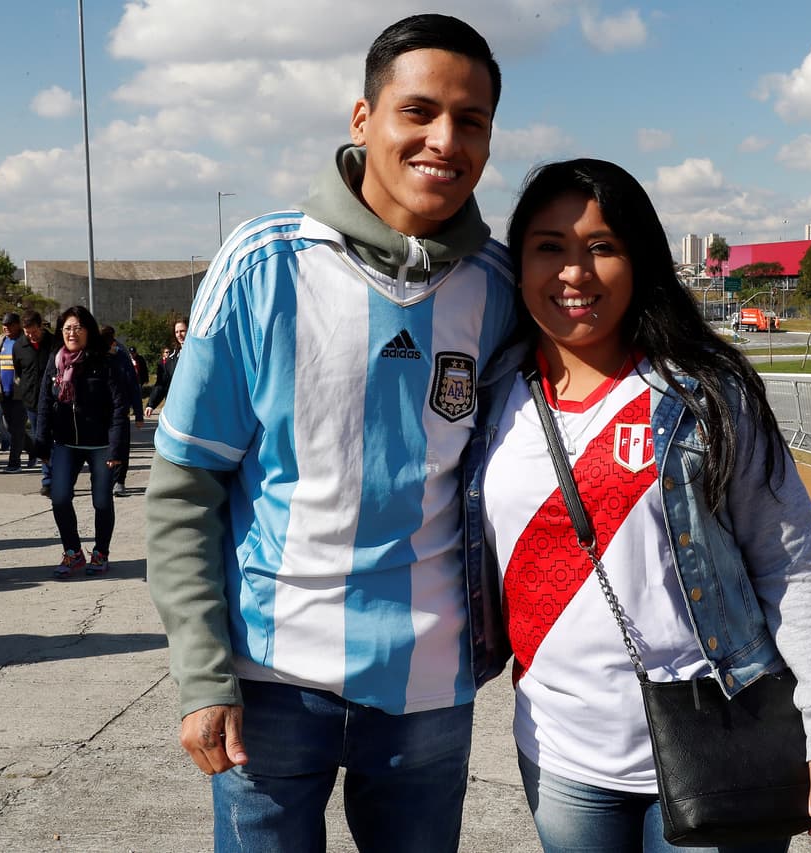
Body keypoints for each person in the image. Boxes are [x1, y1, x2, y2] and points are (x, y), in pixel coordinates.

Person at [145, 14, 514, 851]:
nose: (443, 140)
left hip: (430, 688)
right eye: (417, 112)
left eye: (471, 121)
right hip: (270, 684)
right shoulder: (264, 264)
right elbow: (183, 489)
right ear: (362, 119)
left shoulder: (497, 286)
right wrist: (202, 672)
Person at [470, 158, 811, 852]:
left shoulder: (702, 394)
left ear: (640, 258)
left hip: (722, 740)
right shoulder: (490, 392)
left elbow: (789, 559)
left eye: (602, 247)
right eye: (549, 248)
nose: (574, 273)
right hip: (562, 755)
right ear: (519, 263)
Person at [34, 306, 129, 578]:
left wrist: (116, 447)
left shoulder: (104, 363)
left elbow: (118, 407)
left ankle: (101, 552)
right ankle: (73, 552)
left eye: (77, 327)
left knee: (101, 501)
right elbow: (44, 402)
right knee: (59, 497)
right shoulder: (56, 361)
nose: (71, 333)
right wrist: (42, 443)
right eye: (66, 328)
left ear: (88, 330)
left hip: (100, 445)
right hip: (66, 443)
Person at [13, 309, 57, 496]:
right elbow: (18, 371)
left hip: (55, 401)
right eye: (27, 332)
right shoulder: (19, 347)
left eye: (34, 331)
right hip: (32, 401)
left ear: (41, 326)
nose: (31, 336)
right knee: (41, 440)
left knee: (57, 440)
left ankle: (60, 476)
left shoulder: (55, 343)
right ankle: (47, 479)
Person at [100, 324, 145, 497]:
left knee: (121, 445)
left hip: (120, 409)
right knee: (104, 446)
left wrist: (138, 413)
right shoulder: (95, 357)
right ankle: (105, 479)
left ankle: (119, 481)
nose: (113, 346)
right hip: (101, 411)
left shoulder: (122, 356)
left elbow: (133, 384)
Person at [0, 312, 28, 472]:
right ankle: (33, 450)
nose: (6, 327)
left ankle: (14, 462)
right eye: (4, 324)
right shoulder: (0, 341)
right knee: (8, 426)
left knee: (17, 428)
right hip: (2, 392)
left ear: (18, 324)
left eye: (10, 324)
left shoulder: (24, 341)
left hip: (20, 393)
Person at [143, 317, 186, 418]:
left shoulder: (198, 354)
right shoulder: (171, 359)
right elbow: (162, 384)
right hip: (176, 408)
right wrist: (151, 404)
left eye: (183, 331)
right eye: (176, 332)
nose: (179, 335)